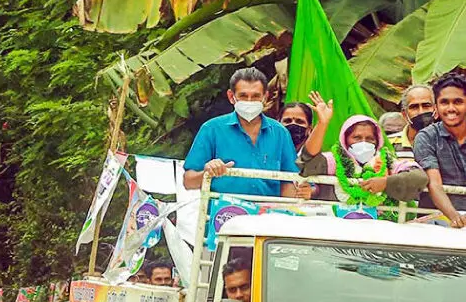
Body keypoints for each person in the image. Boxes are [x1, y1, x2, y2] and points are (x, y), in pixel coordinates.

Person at [183, 67, 311, 199]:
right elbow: (188, 182)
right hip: (224, 209)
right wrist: (208, 172)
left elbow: (289, 180)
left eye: (255, 96)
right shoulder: (211, 129)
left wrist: (290, 205)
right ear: (231, 97)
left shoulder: (280, 133)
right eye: (243, 96)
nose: (249, 101)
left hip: (267, 209)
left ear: (265, 97)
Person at [297, 91, 427, 207]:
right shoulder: (333, 161)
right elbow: (307, 162)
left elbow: (419, 177)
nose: (364, 142)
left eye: (370, 138)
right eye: (357, 138)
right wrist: (322, 123)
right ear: (345, 140)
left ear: (377, 141)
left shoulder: (386, 162)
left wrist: (386, 183)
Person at [413, 73, 466, 227]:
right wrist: (455, 218)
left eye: (458, 102)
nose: (451, 108)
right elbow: (434, 184)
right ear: (436, 108)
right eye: (444, 102)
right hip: (438, 221)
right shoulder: (426, 137)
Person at [390, 85, 436, 160]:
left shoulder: (448, 142)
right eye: (414, 107)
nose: (421, 112)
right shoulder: (389, 144)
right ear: (404, 114)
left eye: (426, 106)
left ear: (436, 111)